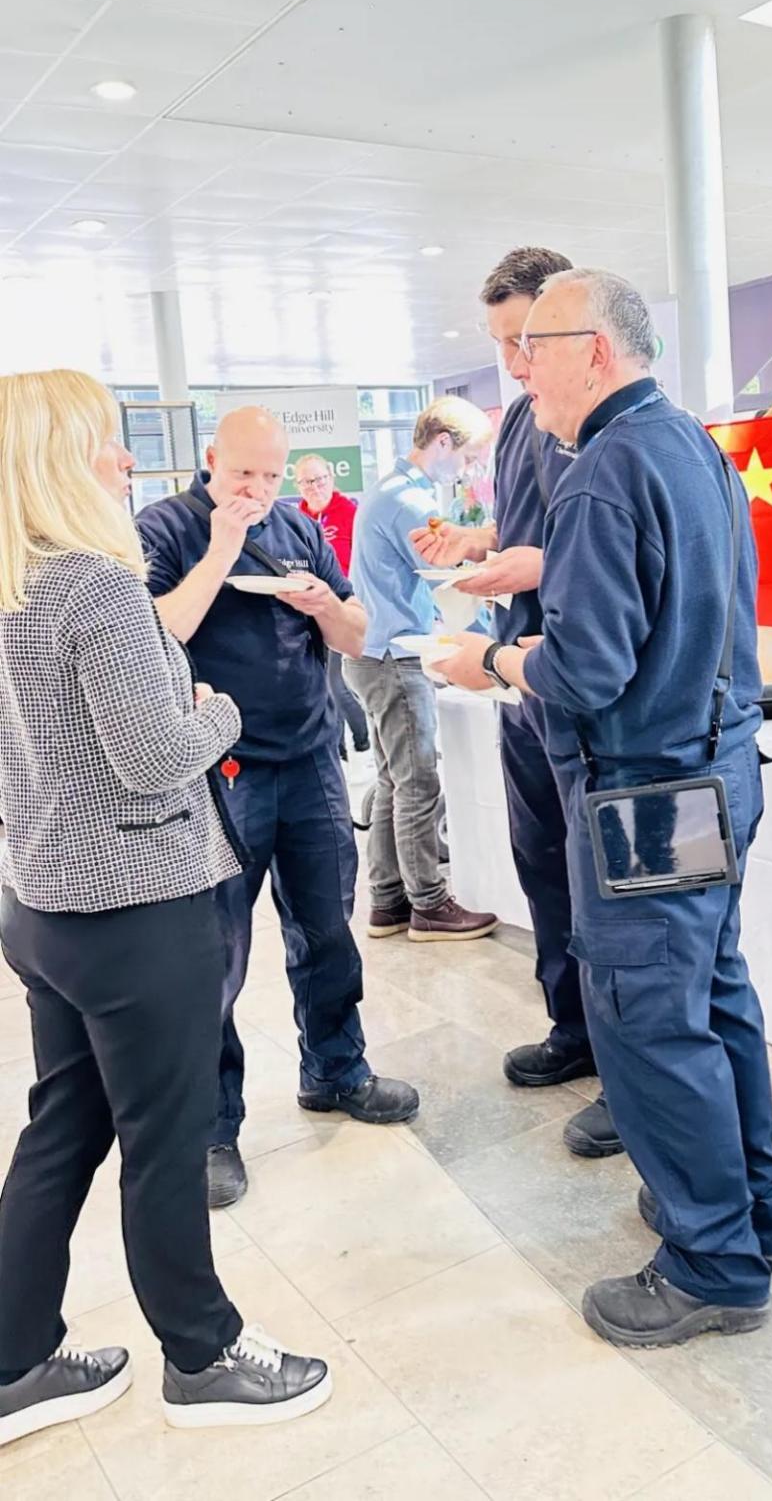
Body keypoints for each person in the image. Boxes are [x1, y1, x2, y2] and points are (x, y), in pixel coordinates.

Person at [437, 271, 772, 1350]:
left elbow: (584, 670)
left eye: (532, 347)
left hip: (646, 788)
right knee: (712, 992)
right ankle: (750, 1210)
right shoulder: (688, 446)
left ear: (592, 348)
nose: (519, 372)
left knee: (648, 1018)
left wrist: (489, 659)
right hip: (713, 765)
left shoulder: (601, 471)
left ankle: (711, 1263)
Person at [0, 370, 331, 1444]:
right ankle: (203, 1352)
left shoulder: (14, 583)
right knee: (166, 1137)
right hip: (138, 907)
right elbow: (151, 758)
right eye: (108, 440)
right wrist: (216, 711)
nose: (126, 458)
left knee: (64, 1126)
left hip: (44, 902)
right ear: (62, 456)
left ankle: (12, 1359)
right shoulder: (94, 584)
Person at [136, 407, 418, 1212]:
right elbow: (154, 637)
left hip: (311, 759)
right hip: (217, 771)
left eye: (270, 474)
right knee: (213, 954)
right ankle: (210, 1127)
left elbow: (357, 634)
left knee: (327, 929)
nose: (257, 489)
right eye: (242, 473)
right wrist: (222, 549)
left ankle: (336, 1069)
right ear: (210, 459)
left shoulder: (299, 528)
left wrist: (322, 604)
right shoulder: (165, 528)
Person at [413, 248, 623, 1161]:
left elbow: (599, 558)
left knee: (601, 888)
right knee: (543, 864)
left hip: (569, 680)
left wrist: (529, 572)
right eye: (501, 342)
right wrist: (480, 542)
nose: (513, 361)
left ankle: (626, 1072)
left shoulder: (607, 435)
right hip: (519, 680)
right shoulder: (524, 425)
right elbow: (531, 528)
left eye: (526, 340)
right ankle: (572, 1027)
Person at [347, 397, 499, 942]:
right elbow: (453, 568)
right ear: (442, 442)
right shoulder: (409, 501)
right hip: (395, 657)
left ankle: (388, 900)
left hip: (371, 653)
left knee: (393, 782)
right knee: (417, 783)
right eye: (468, 458)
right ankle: (429, 904)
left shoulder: (387, 489)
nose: (468, 471)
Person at [295, 454, 370, 761]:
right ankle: (337, 749)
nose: (314, 487)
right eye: (307, 482)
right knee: (321, 686)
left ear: (332, 478)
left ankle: (364, 741)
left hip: (342, 609)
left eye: (320, 479)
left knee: (337, 684)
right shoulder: (296, 519)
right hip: (306, 613)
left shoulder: (350, 512)